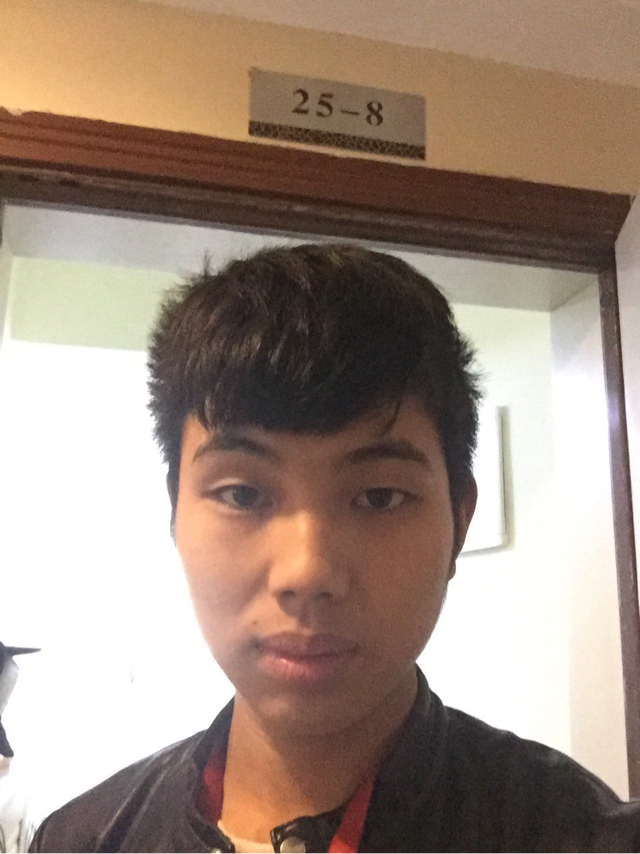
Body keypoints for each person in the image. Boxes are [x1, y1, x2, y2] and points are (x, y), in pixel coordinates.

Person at [30, 243, 640, 852]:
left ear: (459, 521)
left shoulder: (582, 837)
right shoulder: (84, 839)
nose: (307, 571)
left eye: (379, 497)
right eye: (242, 494)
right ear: (174, 514)